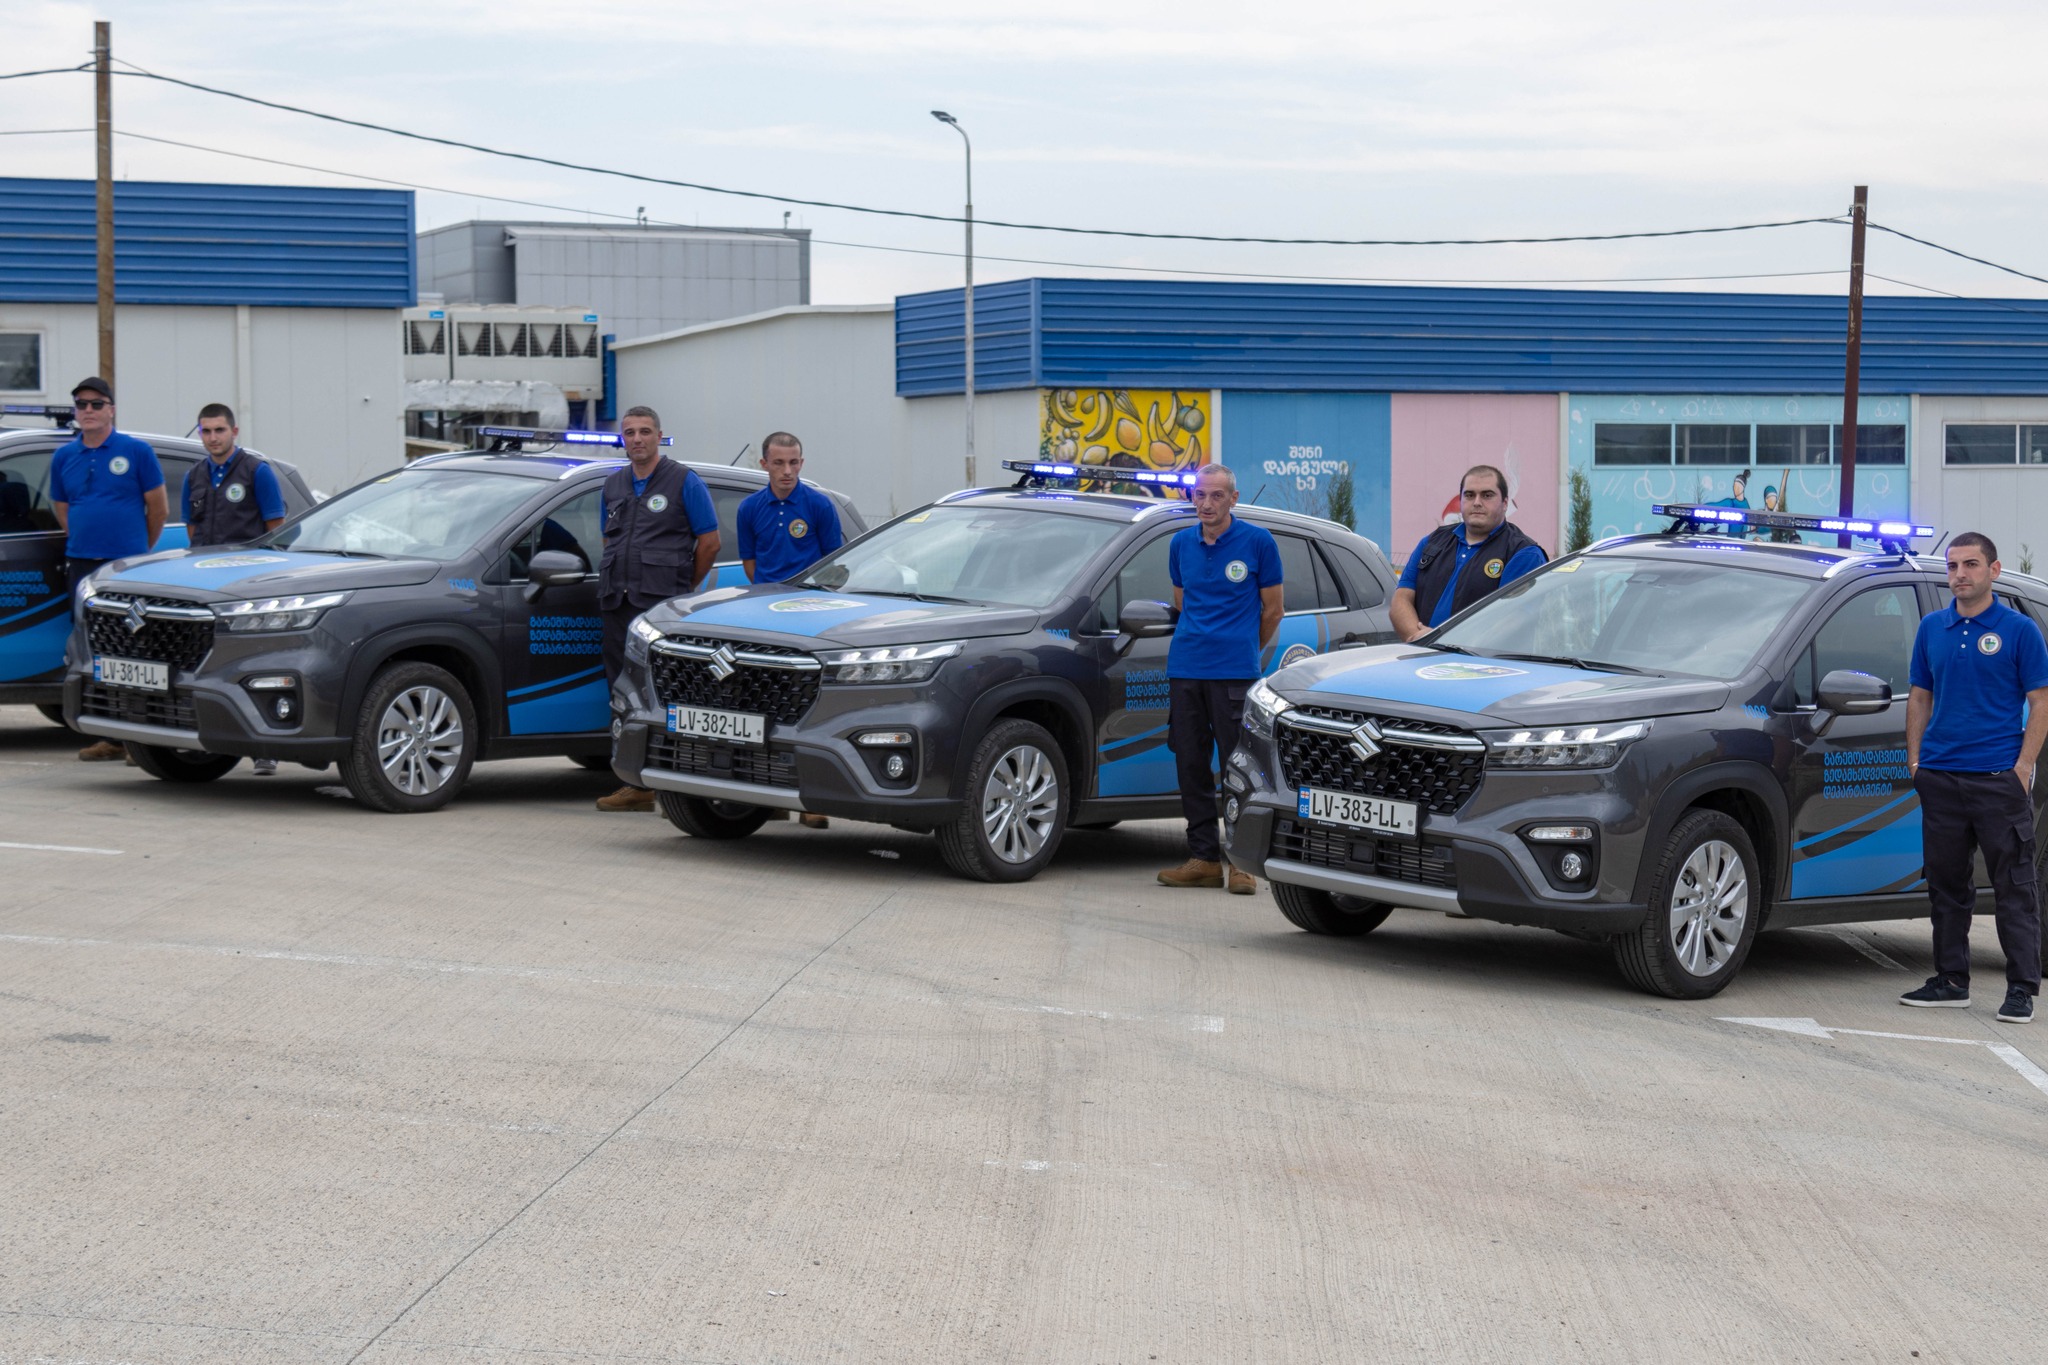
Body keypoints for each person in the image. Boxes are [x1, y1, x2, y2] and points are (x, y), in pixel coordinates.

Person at [1900, 533, 2048, 1023]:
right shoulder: (1932, 628)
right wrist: (1916, 763)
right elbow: (1920, 696)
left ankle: (2021, 989)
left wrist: (2022, 767)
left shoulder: (2019, 630)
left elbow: (2041, 702)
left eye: (1970, 564)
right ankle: (1950, 980)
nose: (1959, 574)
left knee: (2014, 886)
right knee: (1946, 885)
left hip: (1997, 779)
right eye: (1953, 566)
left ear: (1994, 570)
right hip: (1941, 777)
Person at [1157, 463, 1283, 894]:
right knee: (1190, 764)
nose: (1206, 504)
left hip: (1234, 674)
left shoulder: (1258, 542)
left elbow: (1273, 611)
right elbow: (1182, 600)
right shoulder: (1180, 543)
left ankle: (1240, 864)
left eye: (1216, 495)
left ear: (1233, 498)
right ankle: (1204, 859)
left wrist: (1242, 647)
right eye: (1200, 495)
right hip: (1186, 669)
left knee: (1238, 767)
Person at [595, 405, 720, 812]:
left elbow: (710, 543)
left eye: (645, 432)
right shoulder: (613, 484)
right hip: (619, 605)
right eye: (629, 432)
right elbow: (609, 542)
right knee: (622, 692)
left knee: (669, 693)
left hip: (661, 611)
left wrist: (682, 589)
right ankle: (633, 783)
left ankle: (679, 782)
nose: (637, 439)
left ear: (659, 436)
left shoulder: (684, 481)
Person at [48, 377, 167, 762]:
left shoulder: (136, 451)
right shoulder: (64, 457)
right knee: (95, 649)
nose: (88, 410)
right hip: (82, 566)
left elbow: (159, 509)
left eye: (96, 404)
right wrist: (86, 538)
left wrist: (136, 551)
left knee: (136, 649)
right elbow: (62, 508)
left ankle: (142, 739)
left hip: (126, 567)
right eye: (81, 404)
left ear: (111, 409)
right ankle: (111, 736)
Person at [735, 430, 844, 830]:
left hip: (810, 618)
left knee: (806, 707)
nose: (787, 471)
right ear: (764, 464)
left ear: (802, 463)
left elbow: (834, 563)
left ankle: (812, 802)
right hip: (766, 617)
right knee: (762, 707)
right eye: (778, 463)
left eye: (794, 462)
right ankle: (772, 798)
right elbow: (751, 564)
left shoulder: (819, 505)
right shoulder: (749, 508)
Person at [184, 403, 289, 775]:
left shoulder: (256, 471)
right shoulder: (194, 475)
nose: (213, 438)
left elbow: (276, 528)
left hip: (248, 586)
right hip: (206, 586)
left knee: (253, 664)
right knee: (207, 664)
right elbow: (192, 530)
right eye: (206, 431)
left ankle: (265, 749)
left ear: (234, 431)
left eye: (219, 430)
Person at [1390, 465, 1546, 641]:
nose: (1477, 502)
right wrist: (1418, 637)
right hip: (1423, 654)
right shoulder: (1432, 542)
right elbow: (1401, 600)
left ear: (1504, 503)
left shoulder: (1523, 553)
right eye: (1469, 495)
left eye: (1487, 495)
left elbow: (1513, 620)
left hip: (1481, 659)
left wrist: (1442, 643)